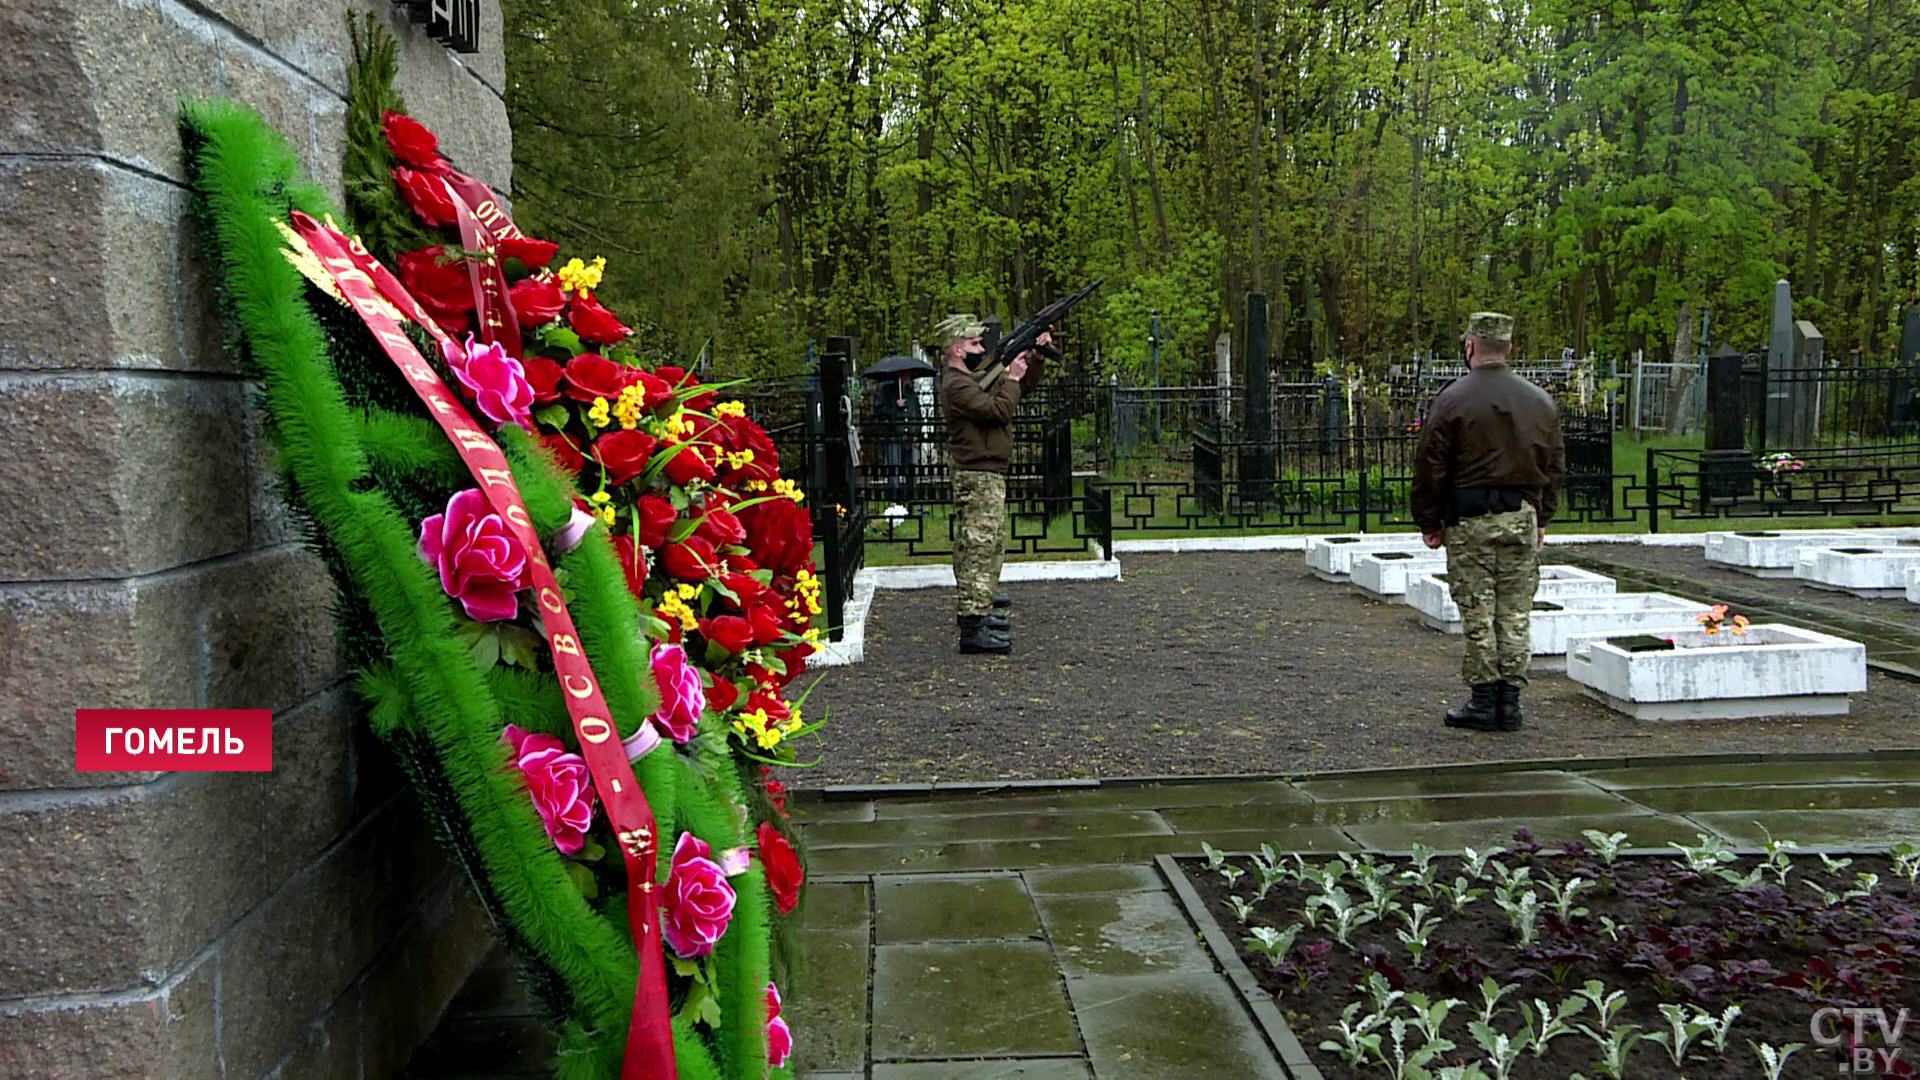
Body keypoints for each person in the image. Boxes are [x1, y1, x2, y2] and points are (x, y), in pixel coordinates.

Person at [1411, 312, 1567, 732]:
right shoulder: (1539, 400)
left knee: (1478, 611)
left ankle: (1484, 700)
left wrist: (1429, 519)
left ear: (1470, 347)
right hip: (1520, 516)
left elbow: (1431, 464)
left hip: (1470, 520)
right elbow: (1553, 465)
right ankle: (1510, 702)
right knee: (1515, 612)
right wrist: (1542, 517)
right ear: (1509, 348)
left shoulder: (1452, 399)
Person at [934, 313, 1049, 654]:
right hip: (978, 473)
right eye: (973, 344)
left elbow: (1018, 390)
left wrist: (1033, 357)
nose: (980, 348)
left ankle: (979, 609)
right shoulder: (957, 384)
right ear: (956, 349)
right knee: (978, 549)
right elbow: (997, 410)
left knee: (988, 545)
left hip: (987, 471)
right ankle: (972, 624)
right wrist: (1011, 377)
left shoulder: (970, 378)